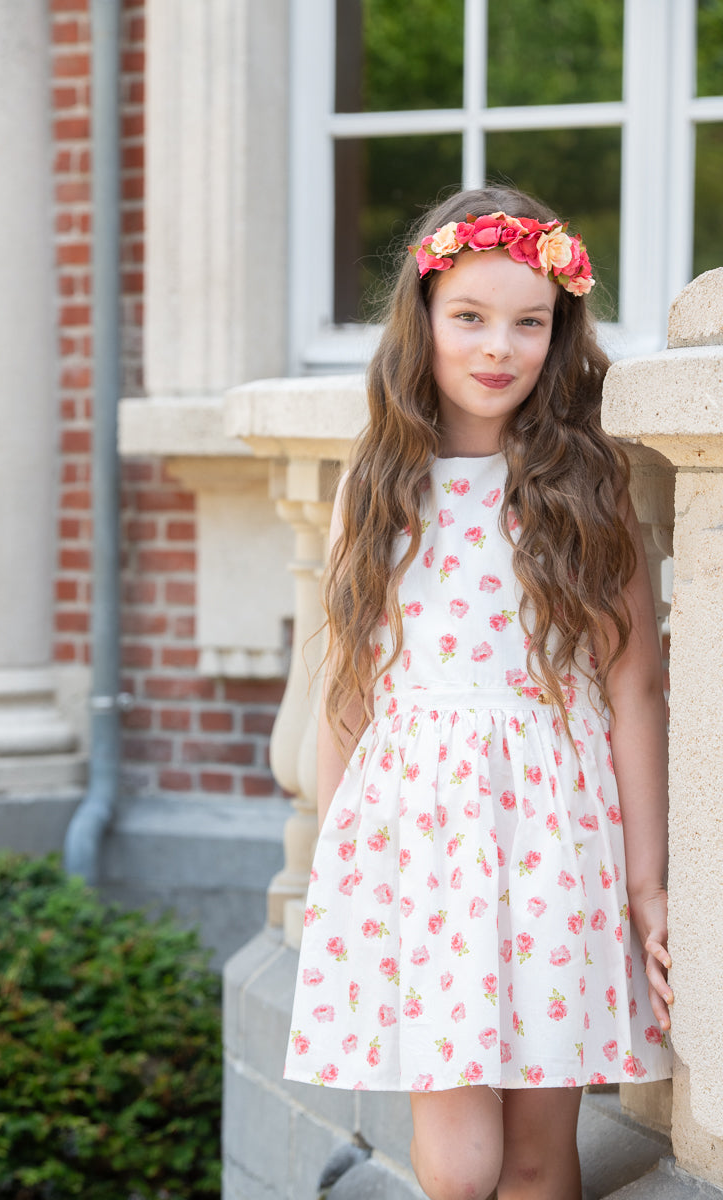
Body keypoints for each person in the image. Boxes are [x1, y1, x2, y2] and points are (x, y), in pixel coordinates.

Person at [283, 185, 673, 1200]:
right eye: (468, 317)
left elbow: (633, 691)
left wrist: (644, 887)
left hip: (553, 836)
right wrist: (339, 871)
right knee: (460, 1168)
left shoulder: (582, 487)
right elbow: (346, 694)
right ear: (422, 321)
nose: (498, 346)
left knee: (542, 1156)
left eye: (528, 322)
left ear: (558, 330)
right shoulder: (375, 489)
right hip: (420, 844)